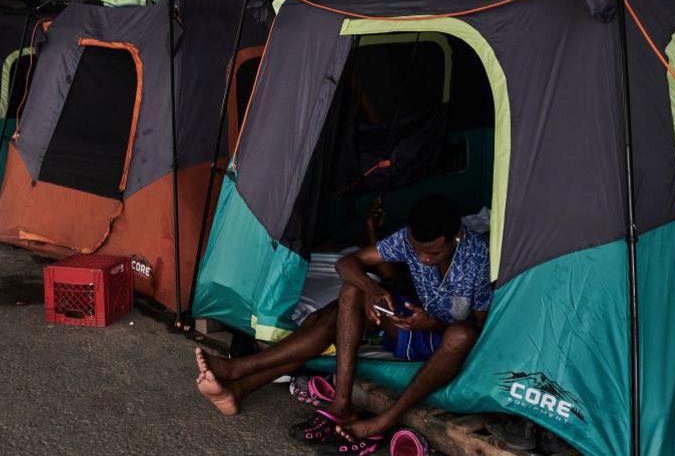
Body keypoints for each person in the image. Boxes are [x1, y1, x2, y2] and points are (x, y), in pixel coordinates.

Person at [194, 194, 491, 453]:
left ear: (457, 237)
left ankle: (243, 371)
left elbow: (479, 330)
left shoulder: (477, 258)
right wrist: (373, 290)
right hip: (409, 324)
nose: (424, 258)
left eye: (434, 253)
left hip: (442, 341)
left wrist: (434, 325)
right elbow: (346, 264)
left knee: (460, 334)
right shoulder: (408, 240)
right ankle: (337, 402)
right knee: (351, 290)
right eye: (418, 250)